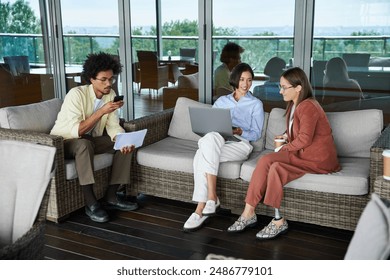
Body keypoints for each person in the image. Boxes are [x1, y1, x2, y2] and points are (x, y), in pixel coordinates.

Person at [227, 67, 341, 239]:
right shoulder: (295, 105)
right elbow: (299, 130)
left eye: (284, 87)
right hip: (303, 154)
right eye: (280, 86)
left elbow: (305, 139)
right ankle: (248, 213)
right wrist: (286, 135)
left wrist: (283, 148)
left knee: (275, 167)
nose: (280, 91)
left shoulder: (308, 106)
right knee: (266, 161)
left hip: (317, 159)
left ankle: (277, 221)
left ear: (298, 88)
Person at [50, 52, 138, 223]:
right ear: (91, 79)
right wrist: (102, 111)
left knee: (125, 143)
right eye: (103, 79)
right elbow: (78, 131)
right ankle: (91, 203)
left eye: (111, 79)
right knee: (83, 144)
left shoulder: (110, 94)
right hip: (64, 142)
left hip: (89, 141)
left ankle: (112, 197)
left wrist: (121, 139)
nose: (108, 83)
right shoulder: (76, 94)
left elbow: (112, 125)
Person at [183, 62, 264, 231]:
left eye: (249, 80)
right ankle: (209, 200)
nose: (245, 84)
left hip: (240, 144)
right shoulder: (221, 101)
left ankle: (201, 208)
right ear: (235, 80)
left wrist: (240, 130)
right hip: (218, 141)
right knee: (211, 138)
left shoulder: (256, 104)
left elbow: (256, 134)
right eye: (242, 79)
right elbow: (210, 123)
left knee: (202, 153)